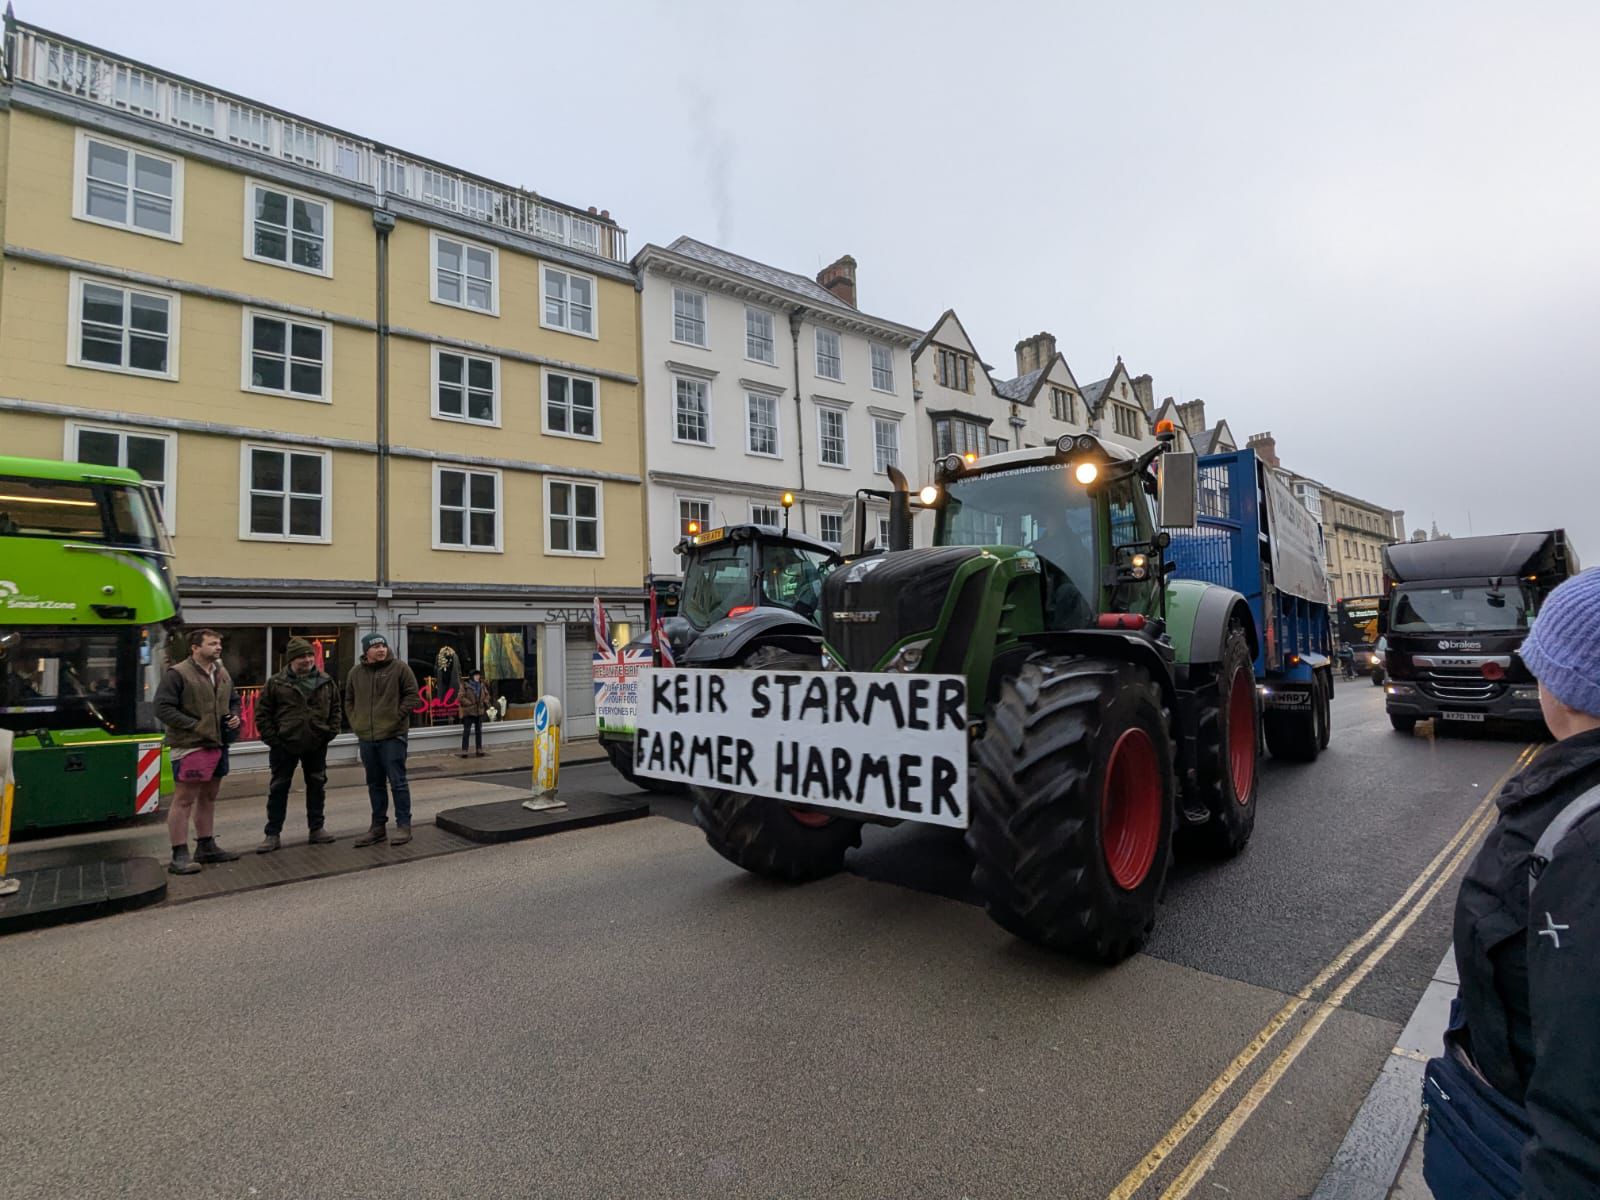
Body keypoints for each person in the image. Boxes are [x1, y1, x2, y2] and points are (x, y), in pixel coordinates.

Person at [1426, 568, 1600, 1198]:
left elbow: (1582, 1097)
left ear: (1571, 686)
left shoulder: (1584, 842)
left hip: (1514, 1148)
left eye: (1544, 665)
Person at [154, 628, 242, 874]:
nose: (218, 647)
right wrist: (195, 726)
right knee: (184, 799)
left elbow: (233, 700)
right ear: (195, 648)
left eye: (219, 643)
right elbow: (162, 707)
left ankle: (206, 845)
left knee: (209, 796)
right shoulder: (178, 674)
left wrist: (234, 716)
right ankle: (178, 854)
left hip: (218, 742)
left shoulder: (221, 672)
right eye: (212, 643)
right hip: (190, 746)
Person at [254, 637, 342, 852]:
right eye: (303, 656)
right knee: (278, 788)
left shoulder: (325, 680)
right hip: (285, 744)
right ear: (292, 659)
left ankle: (317, 828)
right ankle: (272, 833)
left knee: (317, 785)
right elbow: (263, 713)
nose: (308, 659)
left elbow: (336, 708)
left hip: (316, 742)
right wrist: (274, 740)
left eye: (310, 655)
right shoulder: (276, 682)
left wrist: (328, 733)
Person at [345, 632, 420, 847]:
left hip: (393, 736)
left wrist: (395, 718)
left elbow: (412, 696)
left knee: (398, 782)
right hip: (367, 737)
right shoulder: (355, 673)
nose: (381, 650)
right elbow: (349, 700)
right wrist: (356, 722)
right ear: (366, 651)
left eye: (383, 646)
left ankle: (403, 825)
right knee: (374, 784)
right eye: (375, 646)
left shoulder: (399, 668)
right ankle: (378, 827)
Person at [457, 668, 489, 758]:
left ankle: (479, 749)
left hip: (479, 711)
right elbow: (460, 697)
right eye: (475, 675)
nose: (477, 677)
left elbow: (487, 695)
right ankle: (464, 750)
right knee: (466, 731)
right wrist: (469, 703)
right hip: (469, 711)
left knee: (479, 731)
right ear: (471, 676)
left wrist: (484, 701)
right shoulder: (465, 685)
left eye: (478, 675)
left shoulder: (482, 685)